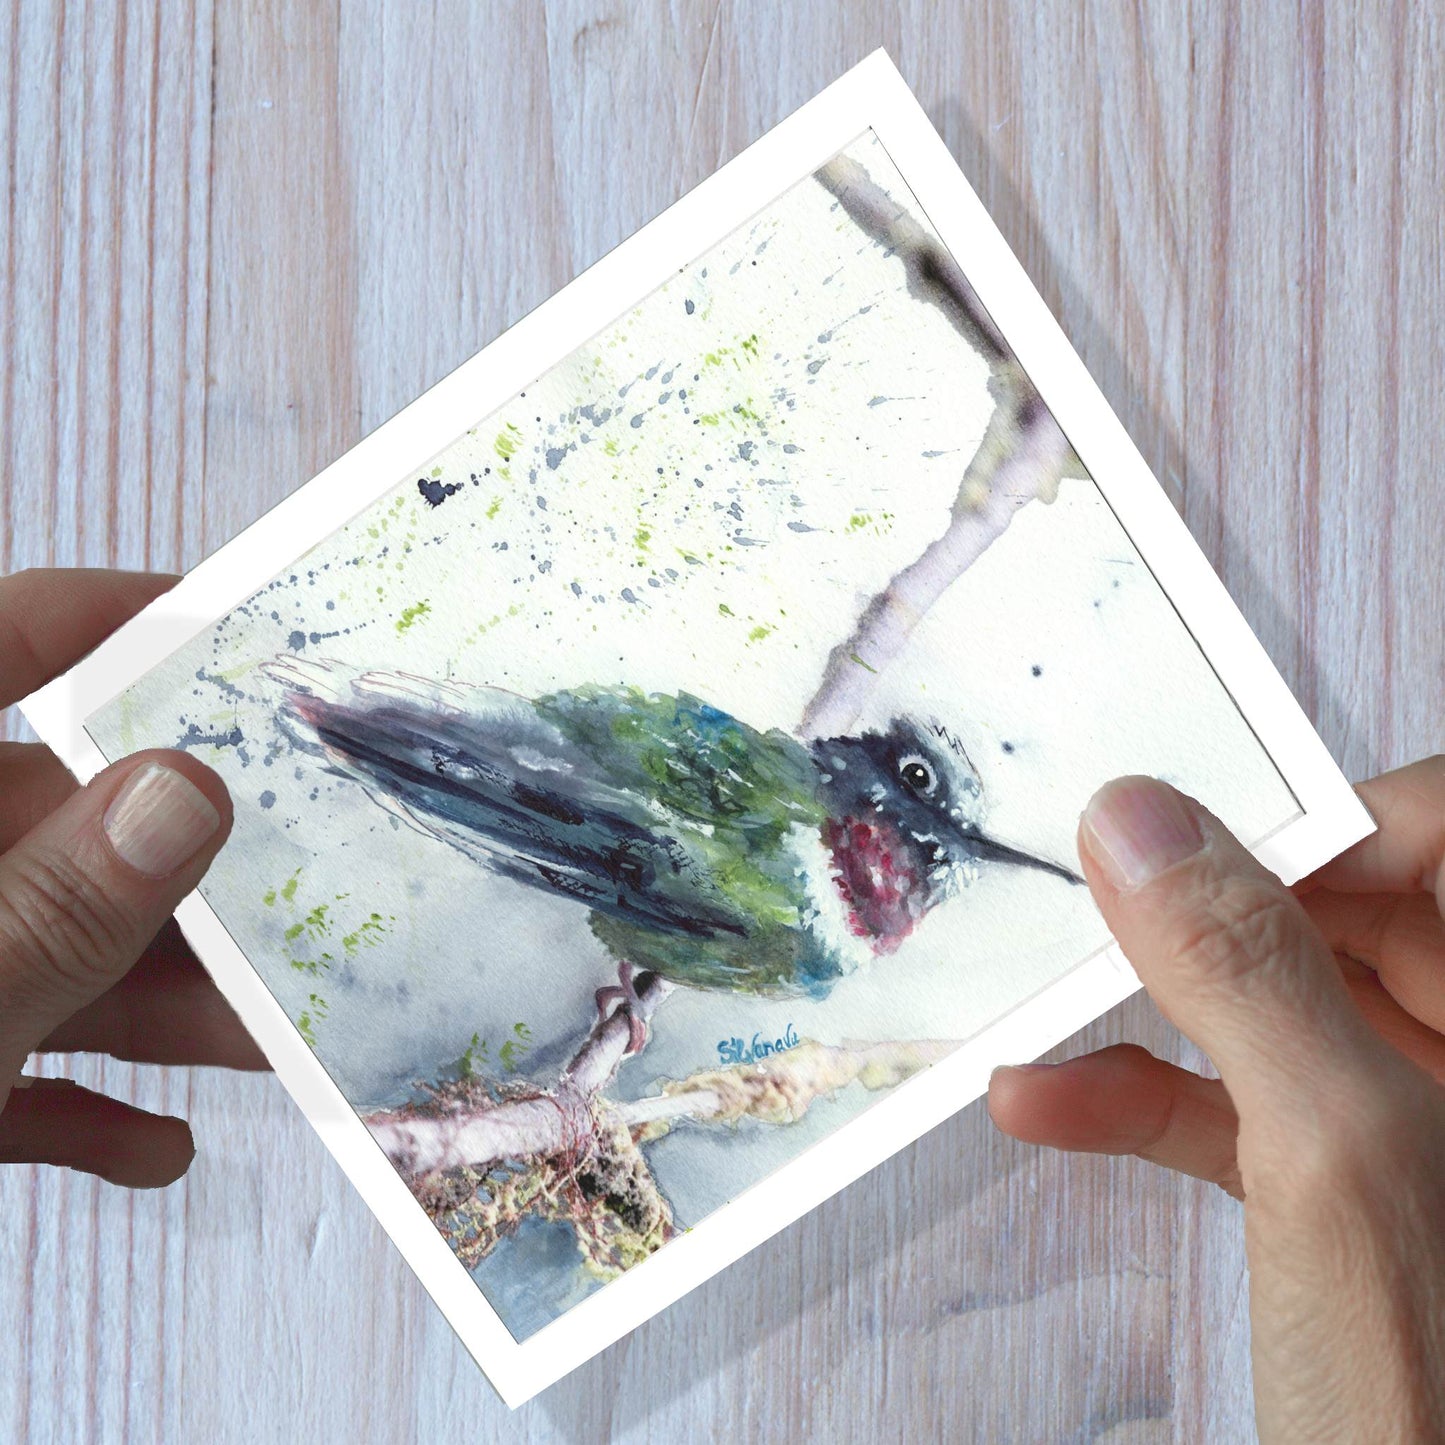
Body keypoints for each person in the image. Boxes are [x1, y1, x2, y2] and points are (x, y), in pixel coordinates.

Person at [0, 568, 1440, 1437]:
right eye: (924, 813)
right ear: (872, 793)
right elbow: (560, 802)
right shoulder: (791, 896)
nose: (935, 859)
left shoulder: (813, 917)